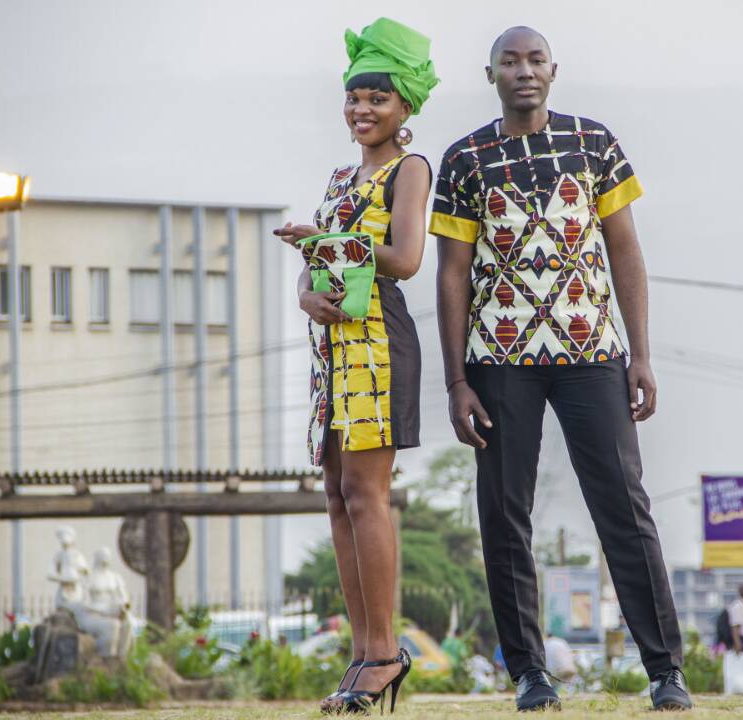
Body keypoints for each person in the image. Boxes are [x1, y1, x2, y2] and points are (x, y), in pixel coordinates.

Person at [431, 26, 691, 713]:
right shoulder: (465, 159)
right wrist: (456, 381)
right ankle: (529, 674)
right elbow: (452, 274)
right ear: (490, 74)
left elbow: (625, 250)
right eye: (509, 62)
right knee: (504, 515)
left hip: (592, 354)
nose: (524, 71)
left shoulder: (593, 144)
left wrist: (640, 354)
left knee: (623, 507)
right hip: (499, 360)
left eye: (535, 60)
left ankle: (666, 671)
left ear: (554, 70)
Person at [273, 16, 437, 715]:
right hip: (331, 348)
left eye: (377, 97)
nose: (362, 109)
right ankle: (364, 650)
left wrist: (324, 241)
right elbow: (318, 265)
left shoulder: (411, 169)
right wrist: (305, 291)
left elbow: (404, 259)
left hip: (378, 343)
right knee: (337, 495)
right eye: (354, 97)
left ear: (404, 106)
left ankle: (384, 653)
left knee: (368, 495)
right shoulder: (342, 176)